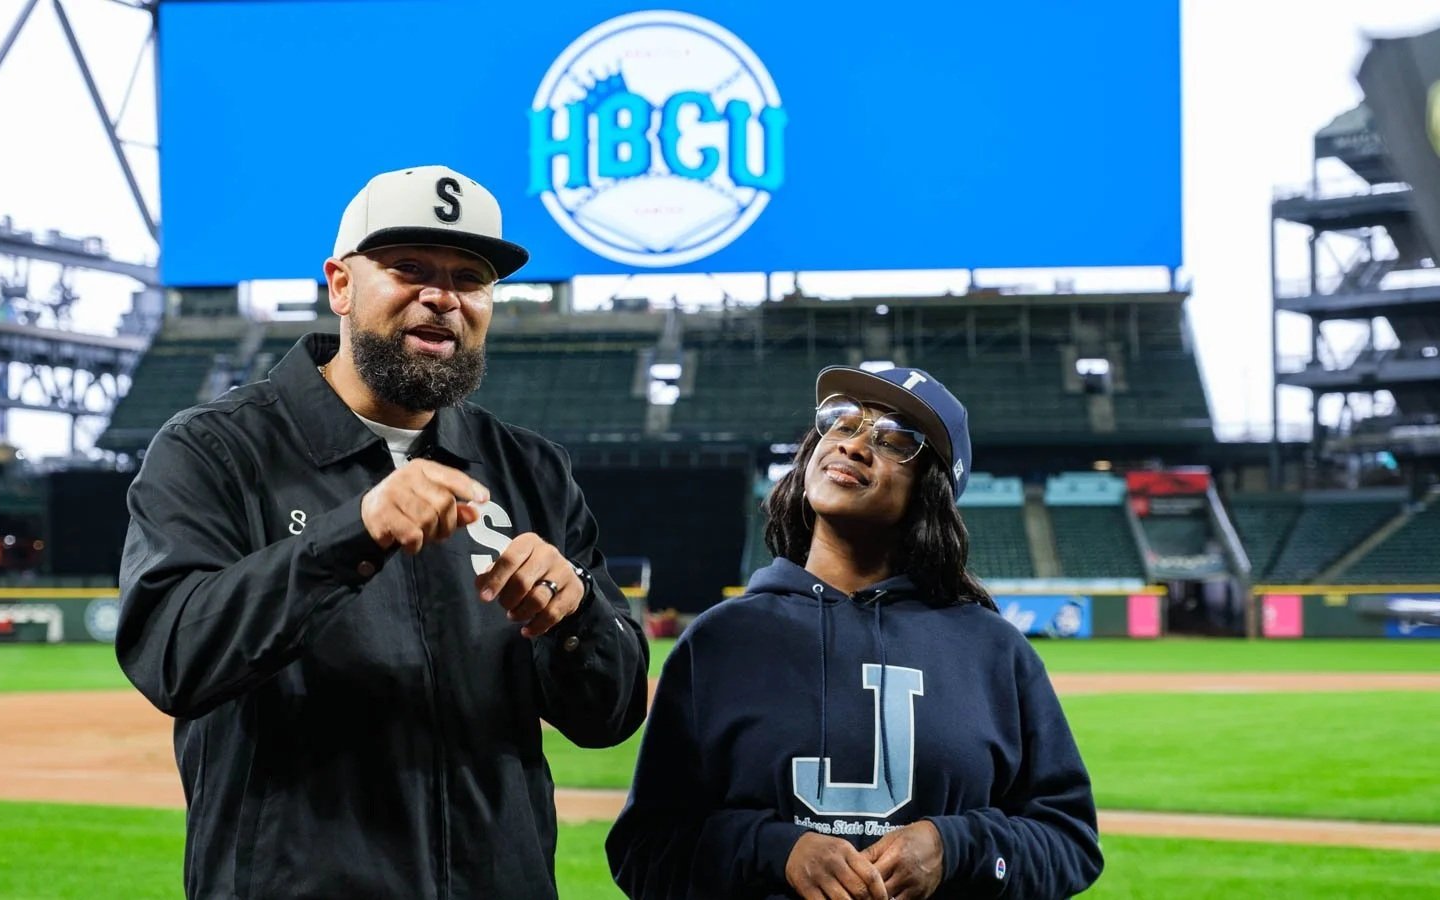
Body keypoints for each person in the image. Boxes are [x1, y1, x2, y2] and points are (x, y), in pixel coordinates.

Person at [117, 164, 650, 899]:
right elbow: (173, 654)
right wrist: (352, 536)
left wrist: (577, 617)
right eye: (408, 268)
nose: (442, 297)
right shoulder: (219, 448)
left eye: (471, 277)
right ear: (341, 285)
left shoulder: (530, 470)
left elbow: (610, 717)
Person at [606, 365, 1101, 900]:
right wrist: (777, 852)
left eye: (894, 440)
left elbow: (1070, 841)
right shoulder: (720, 640)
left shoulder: (994, 649)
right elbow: (645, 849)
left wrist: (954, 846)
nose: (855, 445)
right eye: (841, 422)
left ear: (930, 490)